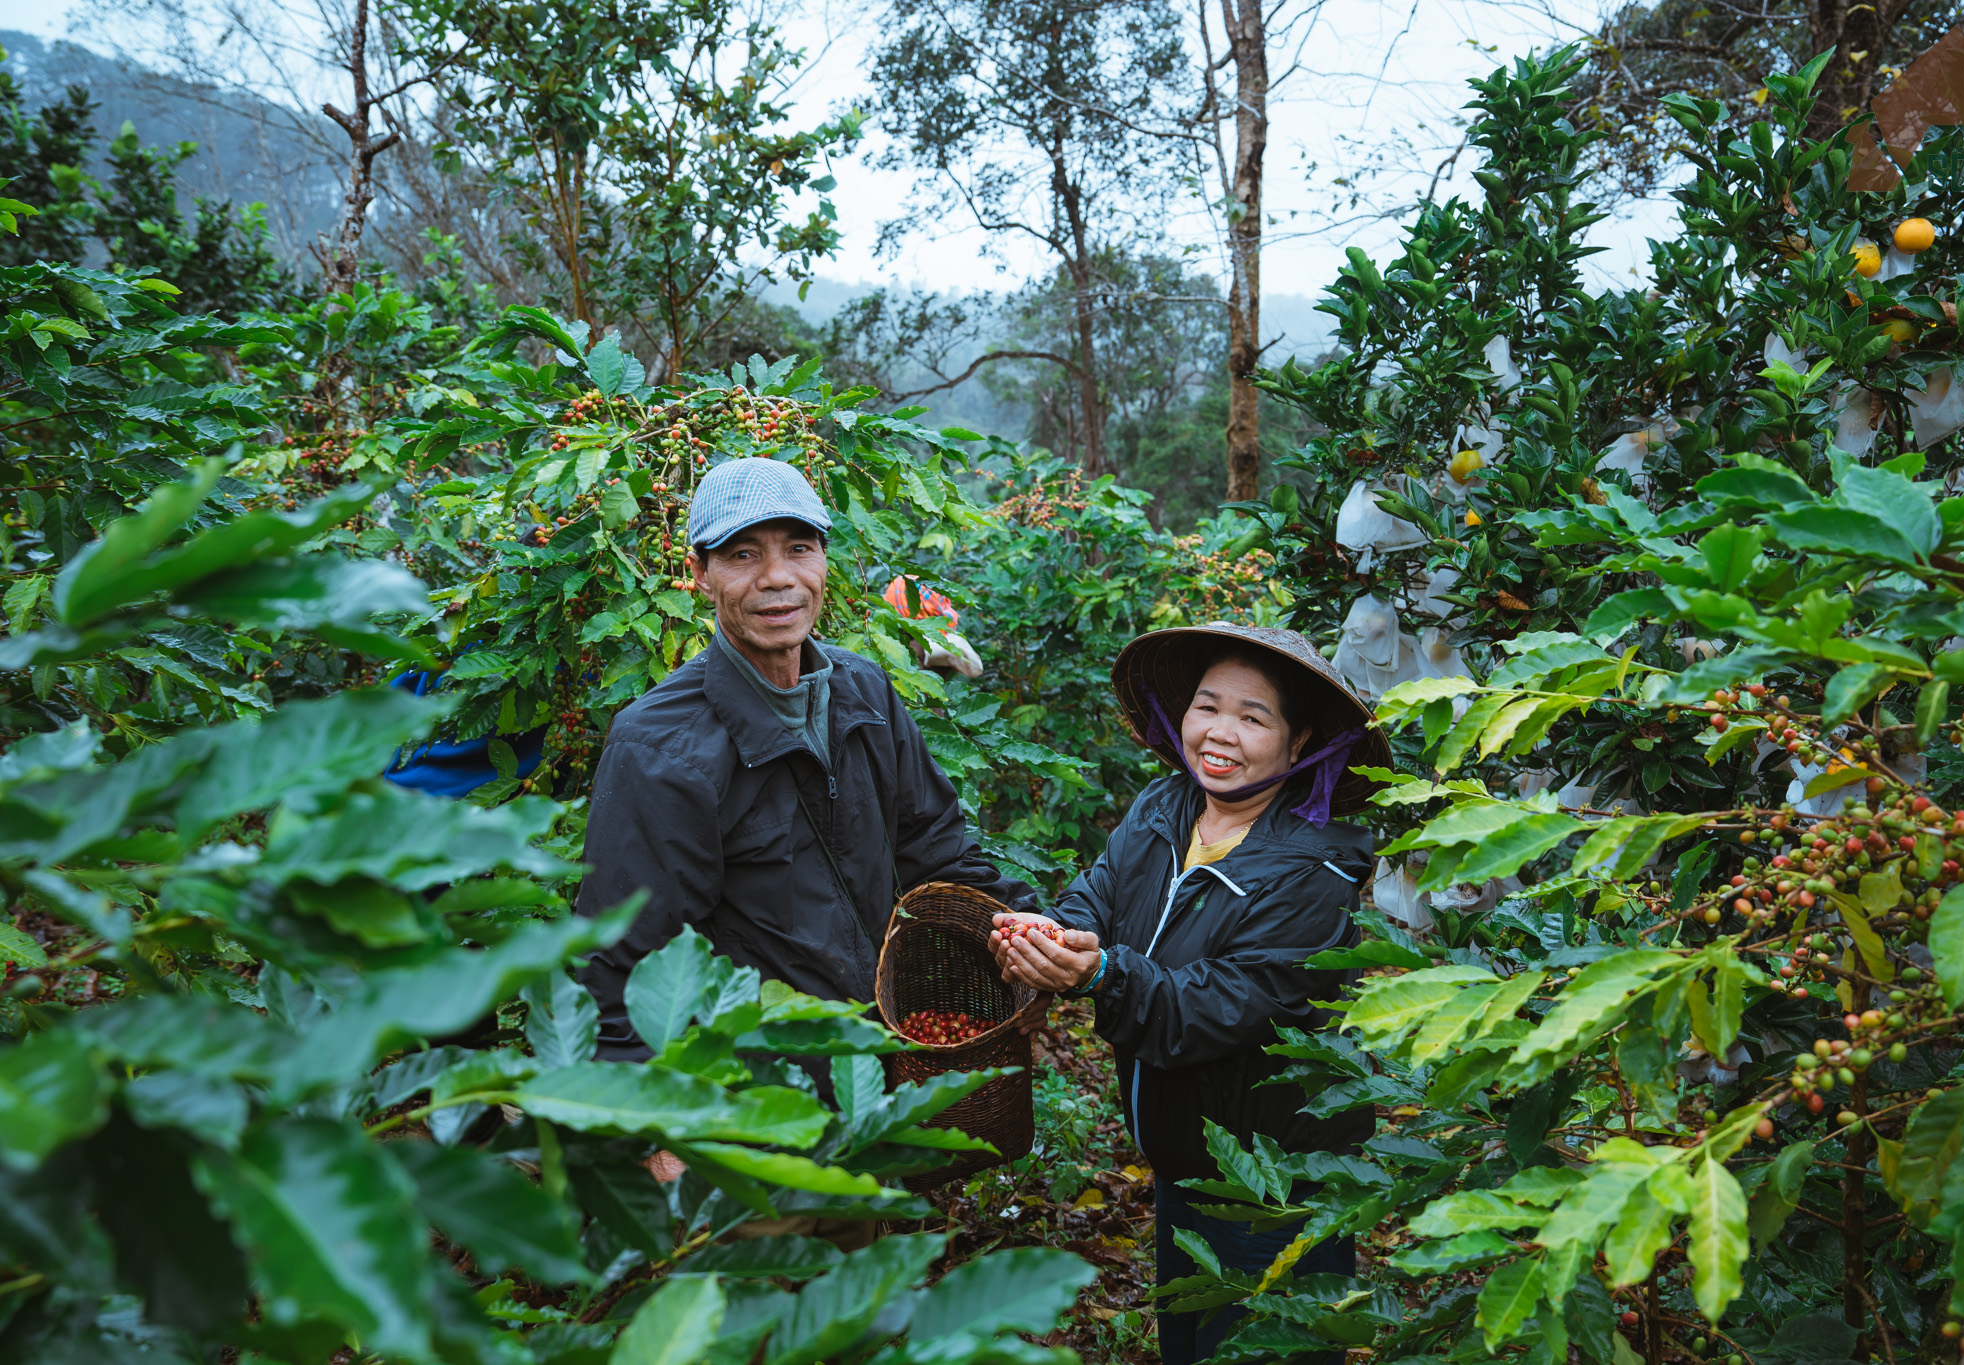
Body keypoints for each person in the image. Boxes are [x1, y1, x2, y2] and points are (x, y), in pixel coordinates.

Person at [989, 624, 1390, 1365]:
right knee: (1192, 1345)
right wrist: (1059, 932)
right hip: (1186, 1162)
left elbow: (1215, 1007)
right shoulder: (1166, 806)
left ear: (1299, 744)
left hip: (1271, 1182)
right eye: (1208, 706)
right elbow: (1102, 889)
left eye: (1253, 716)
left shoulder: (1313, 876)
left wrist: (1103, 973)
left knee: (1268, 1348)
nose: (1220, 733)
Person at [576, 456, 1038, 1075]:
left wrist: (1027, 928)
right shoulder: (659, 747)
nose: (777, 578)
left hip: (870, 1059)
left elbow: (934, 845)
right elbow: (619, 959)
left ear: (824, 561)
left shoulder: (865, 692)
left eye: (799, 548)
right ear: (699, 575)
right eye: (742, 555)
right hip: (750, 1084)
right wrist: (649, 1127)